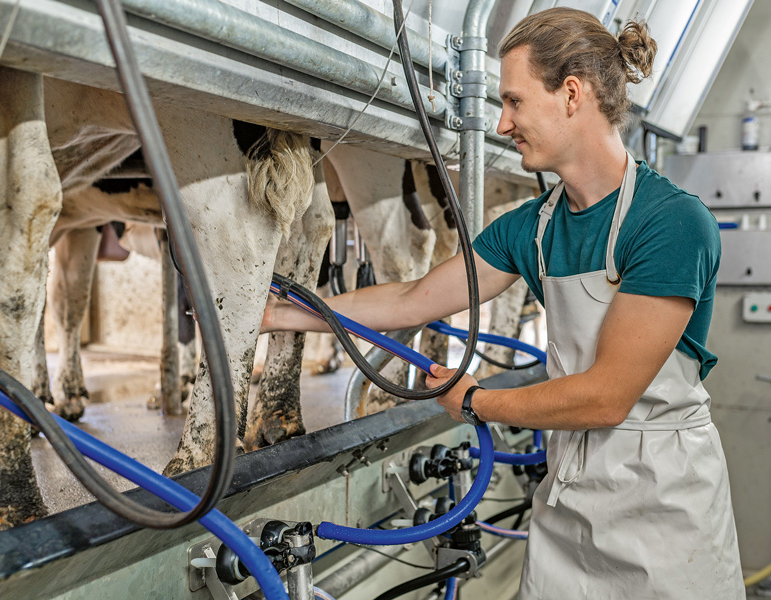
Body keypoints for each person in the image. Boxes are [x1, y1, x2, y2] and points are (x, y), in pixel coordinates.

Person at [261, 7, 743, 598]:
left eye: (514, 102)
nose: (502, 124)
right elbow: (414, 299)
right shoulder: (532, 229)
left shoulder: (671, 223)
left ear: (572, 93)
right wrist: (282, 314)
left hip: (663, 504)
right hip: (570, 494)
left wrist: (477, 402)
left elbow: (608, 396)